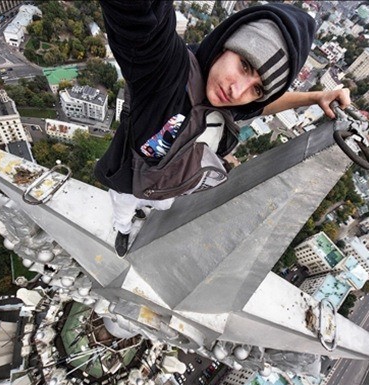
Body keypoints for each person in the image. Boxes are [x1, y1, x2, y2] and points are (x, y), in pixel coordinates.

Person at [94, 1, 351, 257]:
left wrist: (314, 97)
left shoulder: (229, 103)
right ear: (225, 44)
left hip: (172, 183)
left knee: (161, 205)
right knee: (124, 206)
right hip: (129, 177)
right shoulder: (166, 72)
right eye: (245, 65)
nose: (237, 91)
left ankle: (145, 209)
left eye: (257, 89)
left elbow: (262, 107)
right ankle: (123, 229)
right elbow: (138, 18)